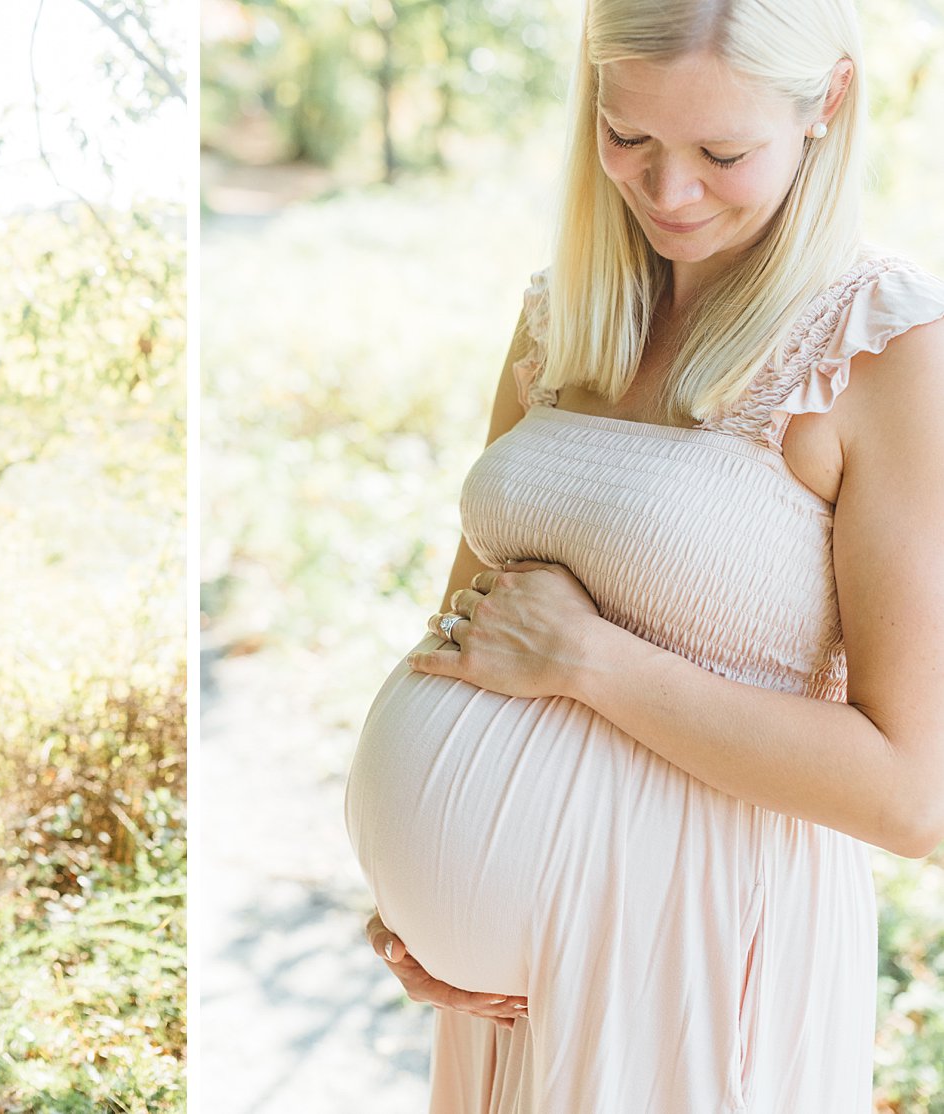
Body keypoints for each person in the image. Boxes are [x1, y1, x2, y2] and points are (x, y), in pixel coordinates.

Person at [344, 0, 944, 1110]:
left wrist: (593, 663)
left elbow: (916, 796)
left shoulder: (885, 347)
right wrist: (416, 901)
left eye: (722, 152)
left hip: (699, 961)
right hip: (502, 1002)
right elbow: (463, 630)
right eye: (629, 138)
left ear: (831, 104)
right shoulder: (559, 318)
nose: (669, 193)